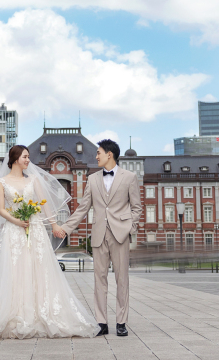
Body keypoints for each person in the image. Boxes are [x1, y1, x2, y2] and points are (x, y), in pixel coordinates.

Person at [0, 145, 100, 341]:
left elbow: (44, 205)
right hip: (13, 230)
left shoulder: (34, 180)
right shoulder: (1, 182)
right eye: (25, 157)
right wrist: (17, 221)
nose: (29, 160)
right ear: (15, 158)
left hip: (35, 229)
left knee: (39, 269)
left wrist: (54, 225)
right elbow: (2, 209)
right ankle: (15, 313)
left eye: (28, 157)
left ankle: (41, 312)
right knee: (15, 270)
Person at [54, 139, 142, 337]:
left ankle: (121, 322)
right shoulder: (92, 179)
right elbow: (83, 208)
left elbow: (137, 207)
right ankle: (101, 322)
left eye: (99, 153)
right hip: (99, 235)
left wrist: (130, 227)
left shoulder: (129, 177)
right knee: (99, 281)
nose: (96, 156)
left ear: (109, 154)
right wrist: (65, 228)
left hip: (121, 234)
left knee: (122, 280)